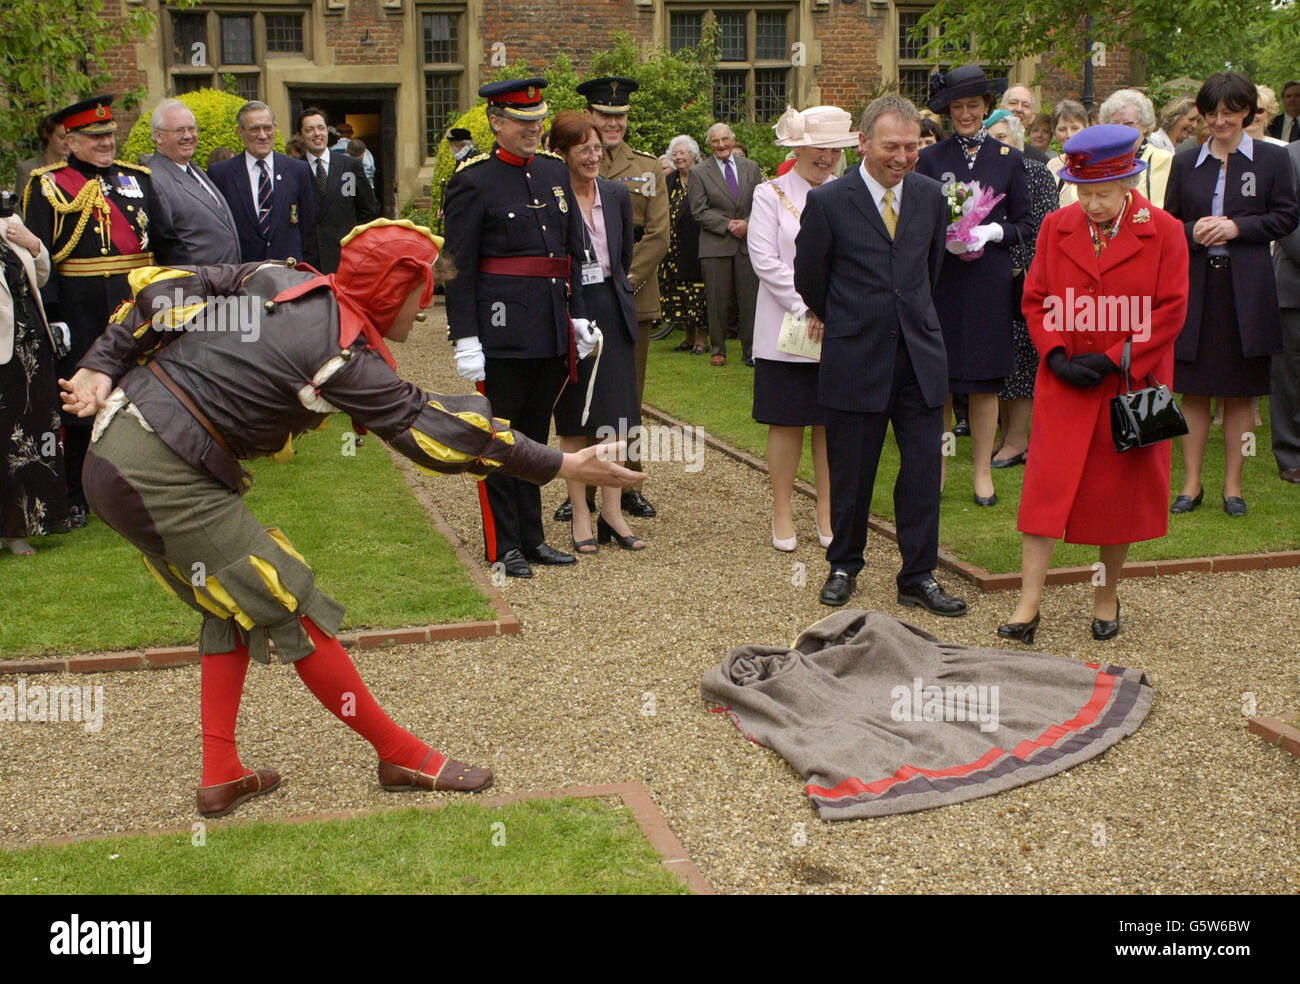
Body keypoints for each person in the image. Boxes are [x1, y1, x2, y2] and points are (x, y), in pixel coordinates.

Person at [59, 219, 641, 817]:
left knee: (230, 600)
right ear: (394, 288)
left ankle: (220, 770)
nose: (424, 309)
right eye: (422, 292)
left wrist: (102, 362)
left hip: (126, 450)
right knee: (288, 598)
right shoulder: (338, 354)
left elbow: (165, 291)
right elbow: (431, 429)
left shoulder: (277, 279)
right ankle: (399, 754)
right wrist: (563, 463)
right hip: (159, 468)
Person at [1001, 125, 1189, 644]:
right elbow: (1036, 298)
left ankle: (1106, 597)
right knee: (1043, 490)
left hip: (1131, 382)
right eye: (1083, 193)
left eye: (1103, 193)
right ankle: (1027, 603)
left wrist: (1113, 360)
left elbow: (1170, 311)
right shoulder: (1056, 226)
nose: (1093, 204)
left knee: (1117, 497)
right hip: (1064, 381)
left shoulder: (1166, 230)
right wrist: (1055, 353)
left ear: (1130, 181)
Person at [794, 94, 966, 617]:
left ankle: (918, 574)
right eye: (892, 146)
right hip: (855, 358)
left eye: (912, 147)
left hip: (919, 359)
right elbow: (811, 279)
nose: (903, 156)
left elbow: (930, 272)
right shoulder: (828, 202)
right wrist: (850, 319)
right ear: (864, 142)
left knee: (920, 473)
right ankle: (844, 564)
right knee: (852, 473)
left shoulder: (931, 196)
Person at [442, 77, 591, 578]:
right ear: (495, 121)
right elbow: (455, 266)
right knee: (499, 441)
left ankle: (533, 536)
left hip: (548, 329)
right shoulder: (472, 179)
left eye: (537, 121)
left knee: (535, 437)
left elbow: (569, 253)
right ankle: (503, 545)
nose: (533, 130)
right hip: (500, 333)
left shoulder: (552, 171)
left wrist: (577, 318)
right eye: (523, 122)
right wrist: (465, 338)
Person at [1165, 72, 1300, 517]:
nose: (1219, 121)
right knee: (1195, 390)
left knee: (1242, 393)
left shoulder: (1271, 160)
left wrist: (1238, 227)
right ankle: (1189, 484)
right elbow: (1169, 225)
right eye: (1211, 113)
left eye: (1229, 112)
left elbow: (1285, 217)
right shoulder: (1185, 162)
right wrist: (1192, 232)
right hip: (1198, 288)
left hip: (1249, 288)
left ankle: (1233, 486)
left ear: (1246, 111)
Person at [22, 94, 155, 530]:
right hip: (81, 309)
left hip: (136, 305)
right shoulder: (46, 185)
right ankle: (77, 494)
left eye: (110, 135)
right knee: (80, 403)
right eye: (95, 137)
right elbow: (40, 261)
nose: (106, 143)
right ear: (71, 140)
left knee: (144, 394)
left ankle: (144, 484)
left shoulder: (139, 179)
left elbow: (163, 243)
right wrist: (54, 315)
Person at [916, 65, 1033, 507]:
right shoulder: (929, 160)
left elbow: (1027, 224)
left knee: (984, 384)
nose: (965, 114)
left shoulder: (1009, 159)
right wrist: (940, 237)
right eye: (957, 107)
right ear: (948, 112)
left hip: (988, 284)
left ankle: (983, 472)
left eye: (973, 106)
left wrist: (992, 233)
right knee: (940, 383)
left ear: (987, 108)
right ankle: (940, 470)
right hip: (942, 283)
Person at [751, 105, 856, 553]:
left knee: (830, 425)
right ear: (798, 147)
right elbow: (766, 261)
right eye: (820, 147)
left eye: (835, 149)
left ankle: (827, 512)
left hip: (838, 327)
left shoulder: (849, 194)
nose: (827, 157)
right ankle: (782, 510)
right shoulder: (769, 194)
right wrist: (806, 307)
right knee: (788, 421)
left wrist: (837, 310)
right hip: (786, 328)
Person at [548, 111, 645, 553]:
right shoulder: (553, 199)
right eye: (582, 149)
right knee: (575, 412)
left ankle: (612, 511)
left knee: (618, 415)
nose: (592, 156)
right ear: (562, 153)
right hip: (571, 310)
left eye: (597, 149)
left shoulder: (616, 195)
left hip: (613, 307)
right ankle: (580, 513)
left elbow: (622, 258)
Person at [577, 75, 668, 520]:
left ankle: (628, 480)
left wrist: (627, 280)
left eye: (620, 116)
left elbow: (659, 232)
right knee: (584, 393)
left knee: (628, 394)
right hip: (584, 292)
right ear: (590, 117)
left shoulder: (648, 168)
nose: (613, 124)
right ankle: (585, 489)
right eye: (604, 115)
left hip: (632, 293)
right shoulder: (573, 163)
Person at [984, 110, 1057, 469]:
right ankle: (1003, 435)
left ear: (1017, 140)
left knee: (1024, 360)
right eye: (990, 138)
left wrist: (1021, 270)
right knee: (1001, 360)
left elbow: (1042, 228)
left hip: (1025, 279)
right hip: (992, 277)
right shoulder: (983, 174)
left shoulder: (1036, 173)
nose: (996, 146)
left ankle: (1019, 440)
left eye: (1002, 139)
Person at [1, 206, 69, 555]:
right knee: (6, 439)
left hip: (32, 350)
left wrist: (34, 245)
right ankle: (9, 532)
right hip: (2, 355)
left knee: (37, 435)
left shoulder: (11, 223)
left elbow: (40, 277)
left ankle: (36, 520)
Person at [688, 122, 763, 367]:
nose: (721, 145)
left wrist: (748, 223)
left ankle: (750, 350)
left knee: (750, 300)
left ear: (733, 140)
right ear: (709, 145)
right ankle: (718, 349)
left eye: (725, 139)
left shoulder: (751, 168)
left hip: (746, 244)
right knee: (717, 301)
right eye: (715, 141)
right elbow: (698, 210)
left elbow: (763, 203)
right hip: (715, 244)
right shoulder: (699, 172)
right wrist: (729, 224)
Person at [207, 100, 315, 263]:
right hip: (243, 274)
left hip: (288, 273)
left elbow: (308, 227)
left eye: (267, 128)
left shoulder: (298, 170)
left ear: (274, 128)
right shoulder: (221, 174)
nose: (263, 135)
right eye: (254, 129)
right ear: (240, 131)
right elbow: (216, 231)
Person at [141, 99, 241, 266]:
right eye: (179, 130)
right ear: (158, 136)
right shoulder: (154, 179)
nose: (188, 136)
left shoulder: (193, 169)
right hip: (193, 286)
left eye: (191, 129)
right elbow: (164, 248)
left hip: (223, 282)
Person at [298, 107, 381, 275]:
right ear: (300, 134)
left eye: (321, 128)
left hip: (344, 258)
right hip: (307, 262)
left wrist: (354, 242)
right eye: (309, 129)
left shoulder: (348, 167)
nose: (317, 134)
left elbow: (366, 208)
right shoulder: (294, 170)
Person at [1060, 90, 1172, 209]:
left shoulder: (1163, 160)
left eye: (1129, 124)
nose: (1121, 130)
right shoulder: (1095, 158)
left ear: (1144, 126)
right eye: (1114, 124)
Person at [660, 135, 708, 354]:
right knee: (679, 293)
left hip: (697, 243)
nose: (678, 157)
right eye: (675, 154)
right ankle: (688, 338)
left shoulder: (704, 178)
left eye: (683, 153)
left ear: (694, 156)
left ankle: (701, 338)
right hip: (673, 248)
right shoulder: (669, 181)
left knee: (697, 293)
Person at [1272, 137, 1300, 483]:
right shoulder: (1289, 157)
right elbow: (1286, 218)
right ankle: (1291, 454)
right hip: (1294, 285)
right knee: (1290, 376)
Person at [14, 116, 68, 199]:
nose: (67, 142)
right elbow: (19, 208)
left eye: (70, 138)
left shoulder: (73, 168)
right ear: (47, 136)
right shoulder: (27, 169)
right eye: (62, 137)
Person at [1000, 83, 1051, 164]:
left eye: (1025, 105)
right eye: (1013, 103)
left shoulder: (1041, 162)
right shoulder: (980, 149)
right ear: (1000, 109)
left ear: (1032, 117)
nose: (1019, 109)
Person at [1047, 99, 1089, 182]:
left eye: (1075, 128)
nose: (1069, 135)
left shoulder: (1096, 163)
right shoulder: (1052, 165)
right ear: (1054, 134)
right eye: (1062, 129)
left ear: (1086, 129)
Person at [333, 122, 376, 187]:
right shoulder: (364, 150)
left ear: (335, 134)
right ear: (351, 133)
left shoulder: (329, 151)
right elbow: (370, 168)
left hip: (338, 190)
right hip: (360, 189)